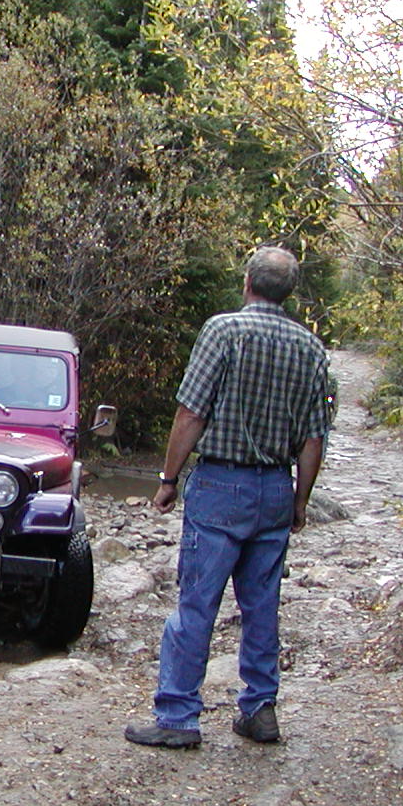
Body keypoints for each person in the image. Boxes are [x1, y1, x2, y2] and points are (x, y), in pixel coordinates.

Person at [124, 245, 331, 749]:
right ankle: (260, 710)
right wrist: (300, 501)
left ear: (247, 282)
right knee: (262, 604)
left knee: (197, 602)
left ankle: (177, 716)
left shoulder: (223, 330)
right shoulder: (309, 348)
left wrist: (169, 476)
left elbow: (191, 413)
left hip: (220, 485)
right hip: (274, 487)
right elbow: (313, 439)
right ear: (290, 294)